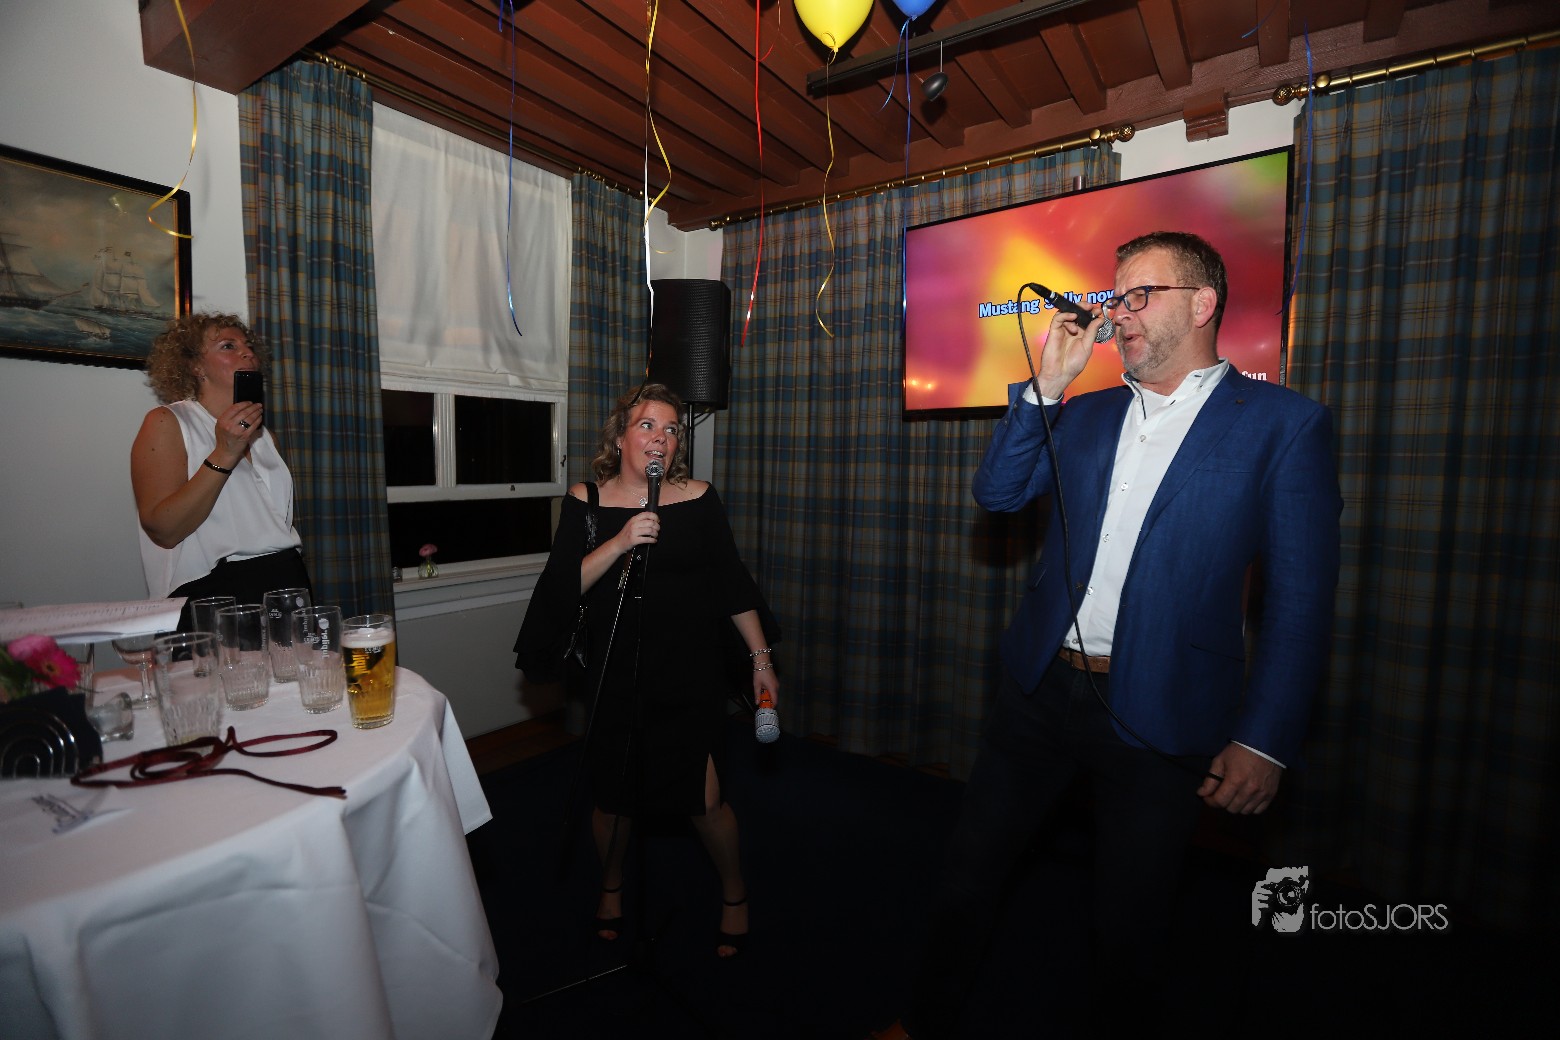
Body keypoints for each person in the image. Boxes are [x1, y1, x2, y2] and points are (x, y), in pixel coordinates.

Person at [876, 232, 1342, 1037]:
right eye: (1116, 296)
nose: (1117, 312)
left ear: (1202, 304)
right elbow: (998, 494)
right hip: (1039, 691)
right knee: (967, 876)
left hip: (1161, 711)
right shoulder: (1085, 412)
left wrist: (1264, 740)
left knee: (1129, 921)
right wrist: (1046, 389)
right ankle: (924, 1022)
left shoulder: (1283, 425)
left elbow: (1301, 599)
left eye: (1139, 295)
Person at [513, 383, 779, 958]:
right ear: (620, 437)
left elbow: (731, 583)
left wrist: (760, 660)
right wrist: (619, 542)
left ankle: (734, 891)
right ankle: (611, 886)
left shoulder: (699, 497)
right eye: (647, 425)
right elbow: (559, 590)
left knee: (705, 799)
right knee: (613, 802)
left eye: (671, 429)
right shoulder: (585, 500)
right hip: (615, 672)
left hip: (690, 672)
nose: (661, 438)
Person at [130, 313, 311, 630]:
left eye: (249, 346)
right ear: (195, 366)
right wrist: (225, 452)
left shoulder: (266, 438)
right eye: (229, 346)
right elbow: (164, 530)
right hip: (215, 593)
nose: (248, 353)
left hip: (286, 581)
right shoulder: (167, 422)